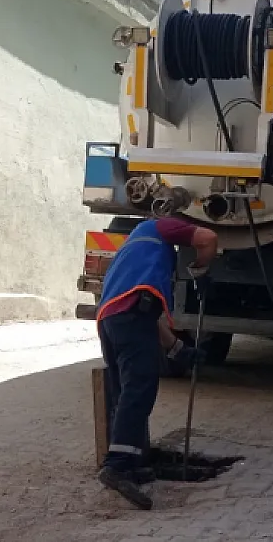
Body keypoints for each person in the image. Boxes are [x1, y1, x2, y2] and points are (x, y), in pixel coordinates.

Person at [95, 215, 218, 509]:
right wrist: (201, 269)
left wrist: (178, 349)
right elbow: (209, 238)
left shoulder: (134, 248)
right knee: (139, 389)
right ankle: (117, 465)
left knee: (126, 391)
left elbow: (143, 315)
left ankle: (133, 460)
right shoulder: (159, 227)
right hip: (129, 317)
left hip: (112, 319)